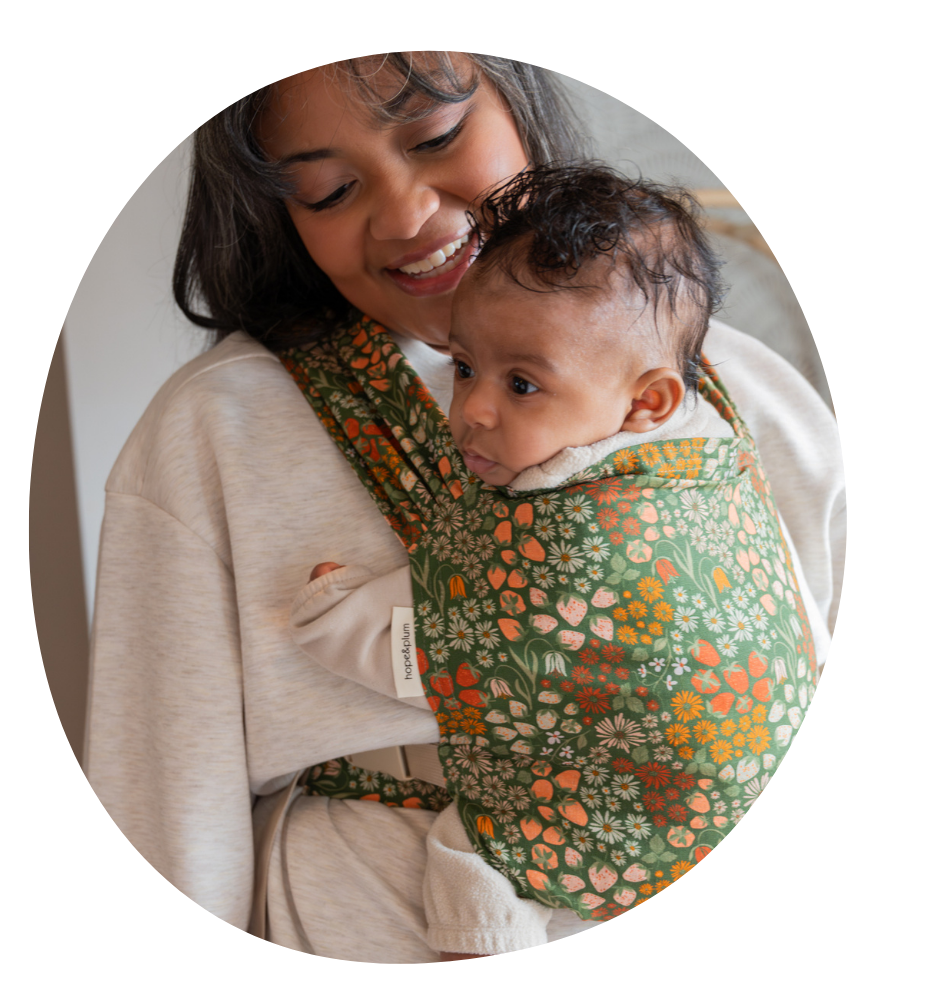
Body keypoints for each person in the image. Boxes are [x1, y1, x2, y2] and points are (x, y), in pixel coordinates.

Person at [83, 54, 844, 964]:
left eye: (437, 137)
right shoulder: (215, 429)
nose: (406, 215)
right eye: (327, 190)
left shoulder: (731, 388)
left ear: (521, 104)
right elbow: (164, 801)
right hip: (370, 920)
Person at [288, 163, 831, 957]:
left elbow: (464, 633)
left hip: (633, 807)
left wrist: (327, 611)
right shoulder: (712, 442)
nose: (472, 408)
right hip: (742, 777)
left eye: (523, 384)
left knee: (469, 852)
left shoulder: (561, 512)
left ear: (649, 401)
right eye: (464, 368)